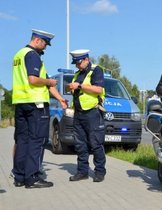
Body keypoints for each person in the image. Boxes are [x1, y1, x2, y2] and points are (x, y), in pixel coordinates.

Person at [12, 29, 68, 188]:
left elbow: (43, 80)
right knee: (38, 141)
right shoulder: (33, 55)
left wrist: (61, 99)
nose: (45, 48)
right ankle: (32, 178)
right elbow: (34, 79)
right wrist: (49, 83)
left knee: (22, 140)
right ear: (37, 40)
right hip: (36, 104)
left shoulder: (19, 54)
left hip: (21, 103)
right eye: (44, 44)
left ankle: (19, 177)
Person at [67, 49, 106, 182]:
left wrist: (79, 86)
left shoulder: (96, 70)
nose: (77, 66)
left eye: (78, 63)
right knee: (80, 144)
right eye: (75, 64)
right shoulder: (77, 73)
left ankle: (100, 172)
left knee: (96, 144)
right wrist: (71, 87)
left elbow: (98, 89)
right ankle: (82, 172)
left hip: (92, 113)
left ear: (86, 59)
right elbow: (76, 89)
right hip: (79, 113)